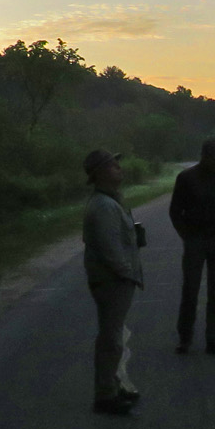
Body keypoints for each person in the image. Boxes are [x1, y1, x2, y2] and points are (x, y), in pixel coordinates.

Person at [81, 148, 144, 414]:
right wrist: (127, 274)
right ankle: (105, 396)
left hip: (114, 279)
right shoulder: (104, 206)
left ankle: (112, 386)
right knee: (111, 339)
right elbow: (110, 250)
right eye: (113, 165)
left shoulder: (110, 201)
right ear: (100, 173)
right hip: (112, 281)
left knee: (114, 336)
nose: (119, 168)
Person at [169, 138, 215, 355]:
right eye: (214, 157)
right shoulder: (187, 178)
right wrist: (187, 236)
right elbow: (175, 211)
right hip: (195, 241)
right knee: (190, 290)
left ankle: (214, 339)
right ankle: (185, 337)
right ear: (204, 156)